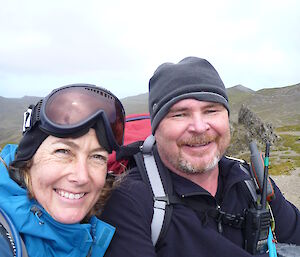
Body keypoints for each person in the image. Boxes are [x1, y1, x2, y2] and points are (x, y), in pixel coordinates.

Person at [100, 57, 300, 256]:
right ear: (156, 129)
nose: (199, 127)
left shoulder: (251, 181)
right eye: (179, 114)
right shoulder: (130, 201)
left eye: (211, 111)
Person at [0, 83, 125, 257]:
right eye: (63, 151)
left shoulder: (106, 219)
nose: (81, 177)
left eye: (97, 157)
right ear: (28, 160)